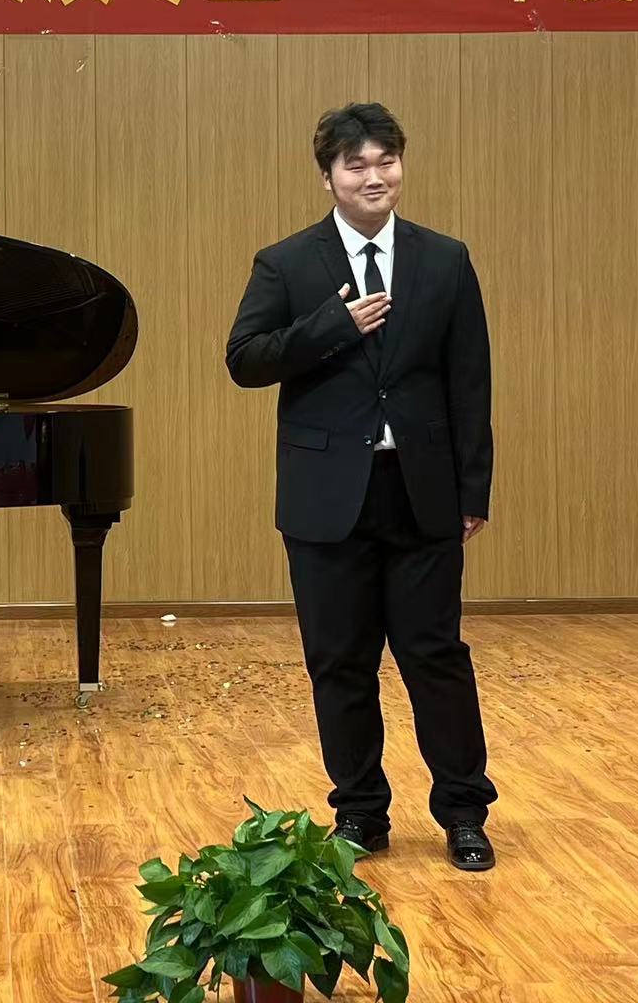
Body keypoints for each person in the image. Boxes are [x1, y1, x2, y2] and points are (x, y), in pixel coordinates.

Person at [225, 102, 498, 871]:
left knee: (435, 657)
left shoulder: (445, 260)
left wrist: (472, 489)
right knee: (339, 662)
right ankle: (359, 813)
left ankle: (464, 811)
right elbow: (245, 359)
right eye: (357, 165)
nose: (374, 176)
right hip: (325, 498)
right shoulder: (286, 263)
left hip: (421, 491)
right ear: (329, 177)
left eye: (386, 161)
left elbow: (470, 381)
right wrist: (331, 328)